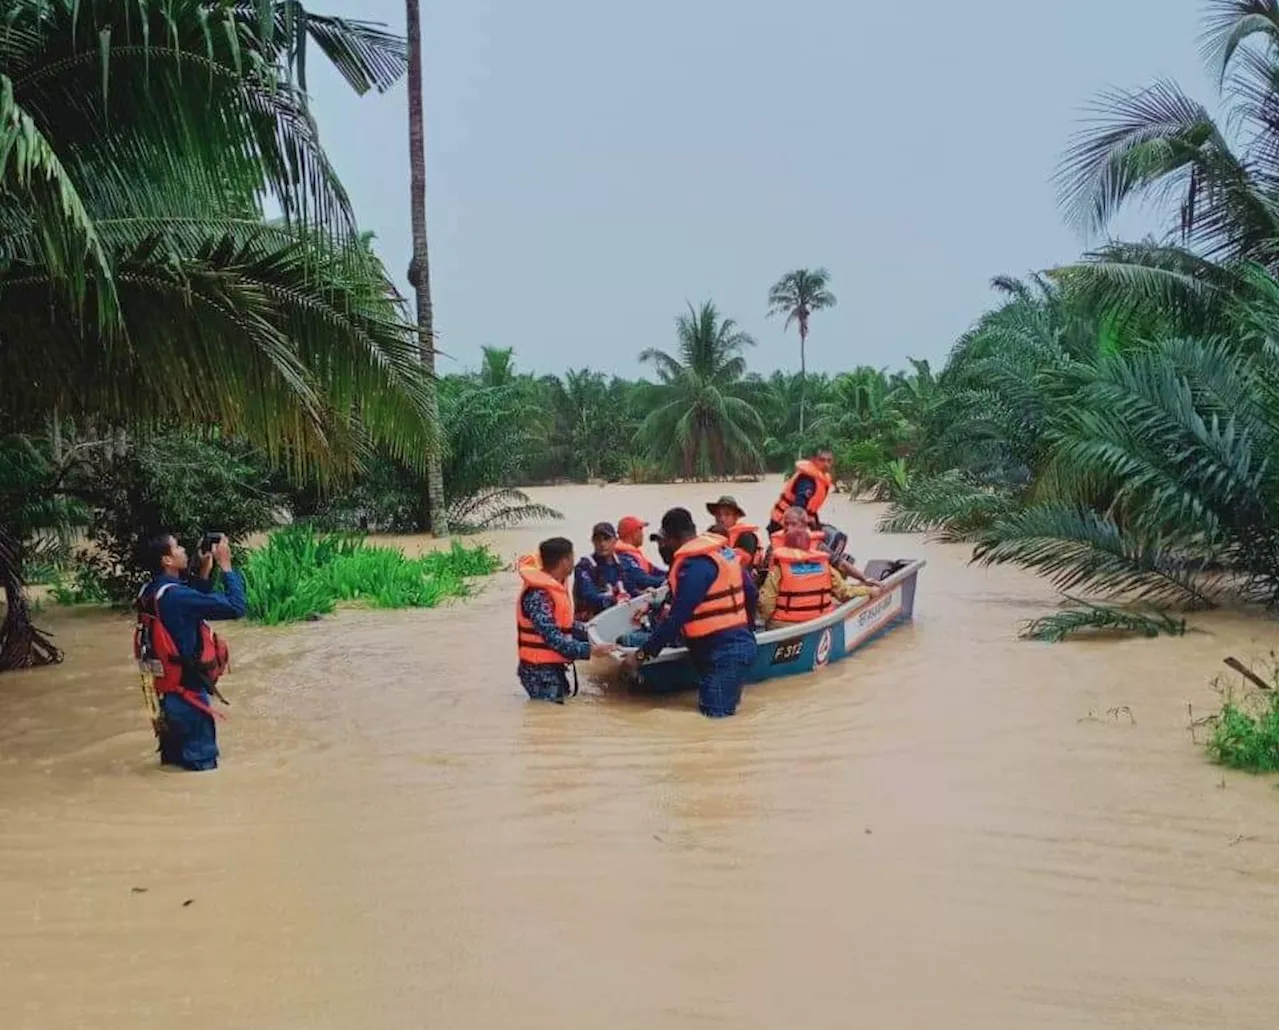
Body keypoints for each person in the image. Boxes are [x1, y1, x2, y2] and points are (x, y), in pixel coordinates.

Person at [625, 507, 758, 719]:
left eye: (664, 541)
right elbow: (751, 593)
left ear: (672, 538)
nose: (662, 547)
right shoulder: (721, 554)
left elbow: (677, 617)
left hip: (724, 653)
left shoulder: (695, 564)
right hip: (731, 648)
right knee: (721, 716)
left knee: (715, 720)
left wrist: (641, 655)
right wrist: (747, 628)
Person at [134, 532, 246, 771]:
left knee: (173, 771)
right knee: (202, 776)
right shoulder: (176, 595)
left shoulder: (149, 592)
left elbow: (186, 606)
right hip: (190, 702)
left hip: (166, 701)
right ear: (167, 561)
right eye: (178, 548)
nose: (184, 551)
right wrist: (226, 567)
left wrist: (204, 570)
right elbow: (236, 607)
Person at [517, 537, 615, 703]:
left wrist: (596, 631)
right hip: (539, 672)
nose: (573, 563)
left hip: (551, 668)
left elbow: (566, 626)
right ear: (564, 561)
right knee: (550, 721)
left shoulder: (552, 588)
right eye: (572, 558)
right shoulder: (539, 595)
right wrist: (590, 650)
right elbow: (553, 639)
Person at [758, 528, 880, 630]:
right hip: (819, 622)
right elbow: (845, 593)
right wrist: (869, 590)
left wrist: (764, 619)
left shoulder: (778, 570)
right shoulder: (824, 566)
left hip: (784, 626)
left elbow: (767, 605)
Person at [768, 445, 835, 532]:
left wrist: (815, 523)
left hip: (798, 520)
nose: (826, 464)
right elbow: (799, 506)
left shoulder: (821, 478)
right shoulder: (807, 480)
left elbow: (810, 509)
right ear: (813, 460)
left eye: (829, 461)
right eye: (822, 460)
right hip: (784, 523)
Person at [572, 521, 628, 619]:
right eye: (598, 540)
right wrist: (614, 600)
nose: (602, 544)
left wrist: (643, 592)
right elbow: (589, 596)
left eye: (606, 539)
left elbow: (633, 585)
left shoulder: (623, 562)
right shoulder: (584, 566)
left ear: (615, 540)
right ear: (593, 541)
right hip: (591, 621)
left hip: (618, 617)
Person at [705, 495, 762, 572]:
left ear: (736, 517)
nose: (721, 518)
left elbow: (743, 562)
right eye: (718, 514)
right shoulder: (710, 533)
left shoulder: (746, 536)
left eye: (727, 514)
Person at [614, 515, 668, 591]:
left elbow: (656, 572)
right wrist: (669, 579)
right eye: (640, 530)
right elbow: (643, 580)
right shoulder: (623, 557)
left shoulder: (634, 554)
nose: (642, 534)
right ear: (633, 533)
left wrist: (675, 574)